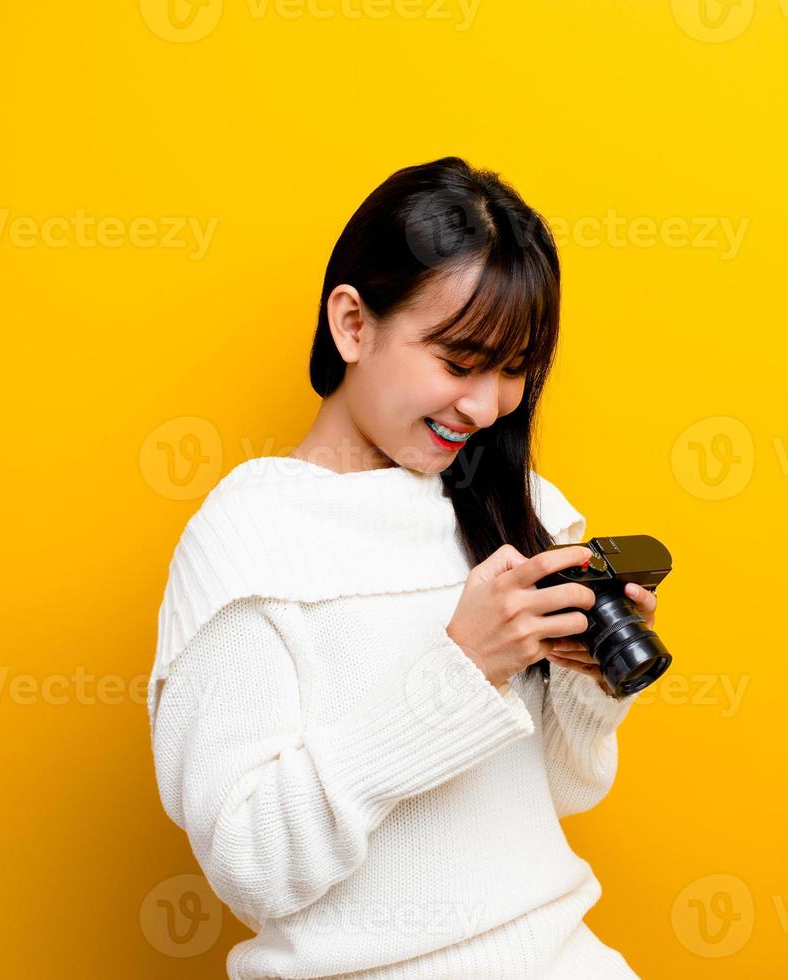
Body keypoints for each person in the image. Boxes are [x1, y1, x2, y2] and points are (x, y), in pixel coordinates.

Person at [148, 157, 655, 978]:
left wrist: (590, 686)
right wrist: (458, 674)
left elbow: (562, 793)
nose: (487, 406)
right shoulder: (249, 538)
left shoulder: (516, 507)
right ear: (352, 324)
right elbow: (251, 867)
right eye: (459, 363)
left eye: (513, 370)